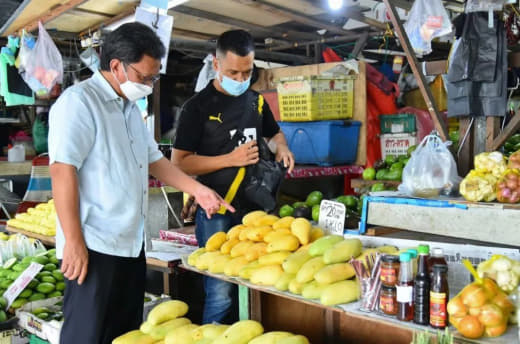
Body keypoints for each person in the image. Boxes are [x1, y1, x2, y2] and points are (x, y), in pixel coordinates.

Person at [48, 22, 232, 344]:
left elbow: (155, 161)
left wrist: (198, 190)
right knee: (87, 335)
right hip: (94, 247)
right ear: (116, 66)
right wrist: (74, 242)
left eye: (154, 77)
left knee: (126, 334)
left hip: (131, 244)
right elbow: (63, 171)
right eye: (145, 77)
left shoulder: (130, 108)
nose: (149, 84)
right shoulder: (79, 103)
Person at [173, 29, 294, 324]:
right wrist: (230, 159)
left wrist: (283, 148)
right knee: (220, 291)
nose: (241, 80)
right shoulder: (196, 108)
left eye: (247, 72)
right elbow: (179, 164)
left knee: (257, 283)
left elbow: (273, 132)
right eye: (233, 72)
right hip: (217, 211)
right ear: (216, 65)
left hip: (256, 211)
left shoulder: (256, 102)